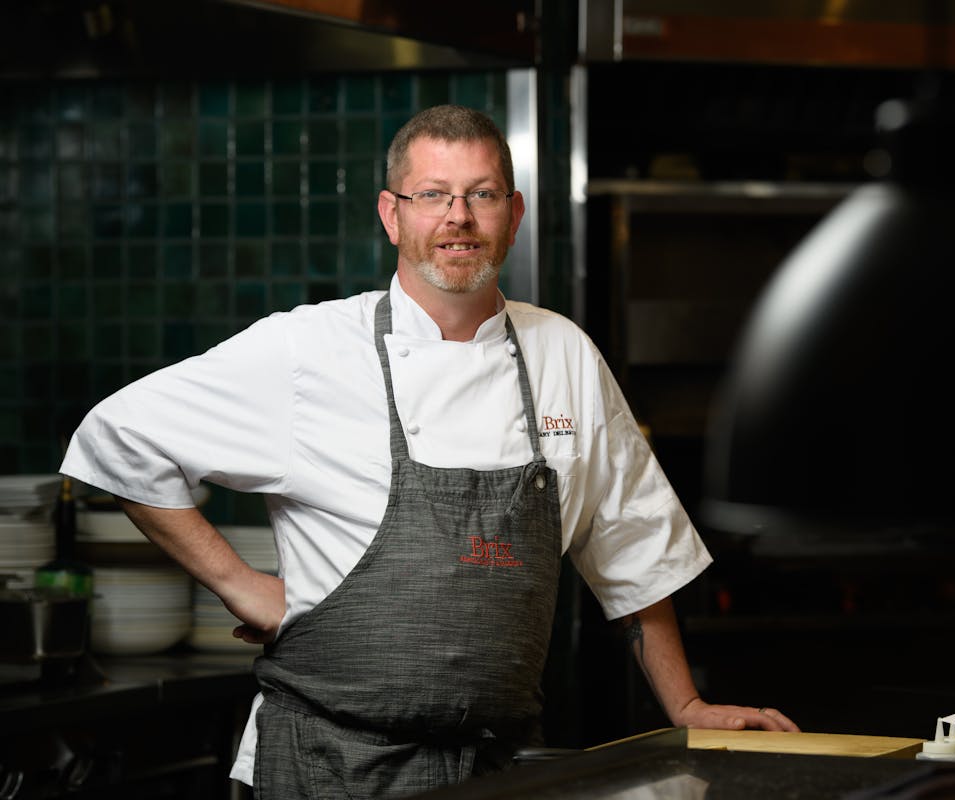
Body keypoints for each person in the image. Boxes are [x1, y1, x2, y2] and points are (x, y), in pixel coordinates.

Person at [60, 104, 798, 798]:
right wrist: (237, 581)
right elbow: (118, 436)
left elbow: (634, 547)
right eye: (433, 195)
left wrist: (688, 704)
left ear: (513, 216)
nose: (458, 217)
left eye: (482, 195)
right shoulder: (308, 349)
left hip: (497, 770)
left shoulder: (562, 352)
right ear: (392, 215)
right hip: (328, 769)